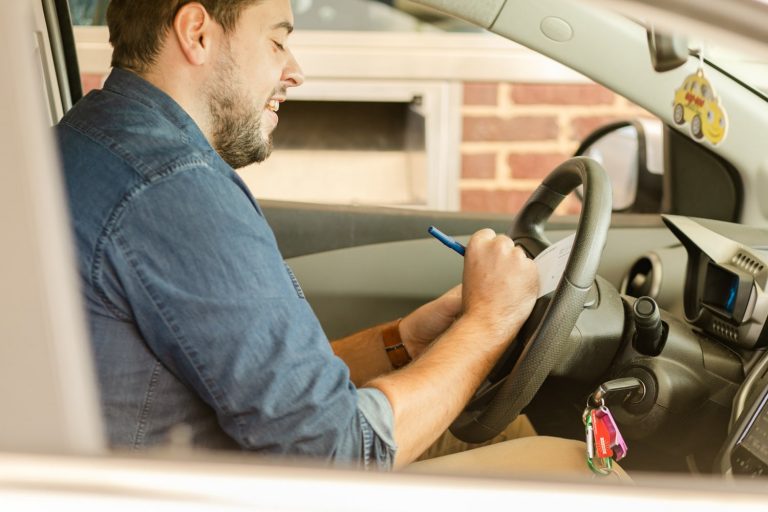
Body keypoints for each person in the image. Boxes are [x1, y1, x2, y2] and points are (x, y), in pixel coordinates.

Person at [56, 0, 615, 478]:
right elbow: (338, 453)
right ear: (197, 32)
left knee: (511, 435)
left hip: (190, 467)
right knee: (576, 470)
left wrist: (404, 341)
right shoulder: (174, 191)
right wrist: (490, 322)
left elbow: (272, 389)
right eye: (277, 42)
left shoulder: (93, 141)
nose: (295, 71)